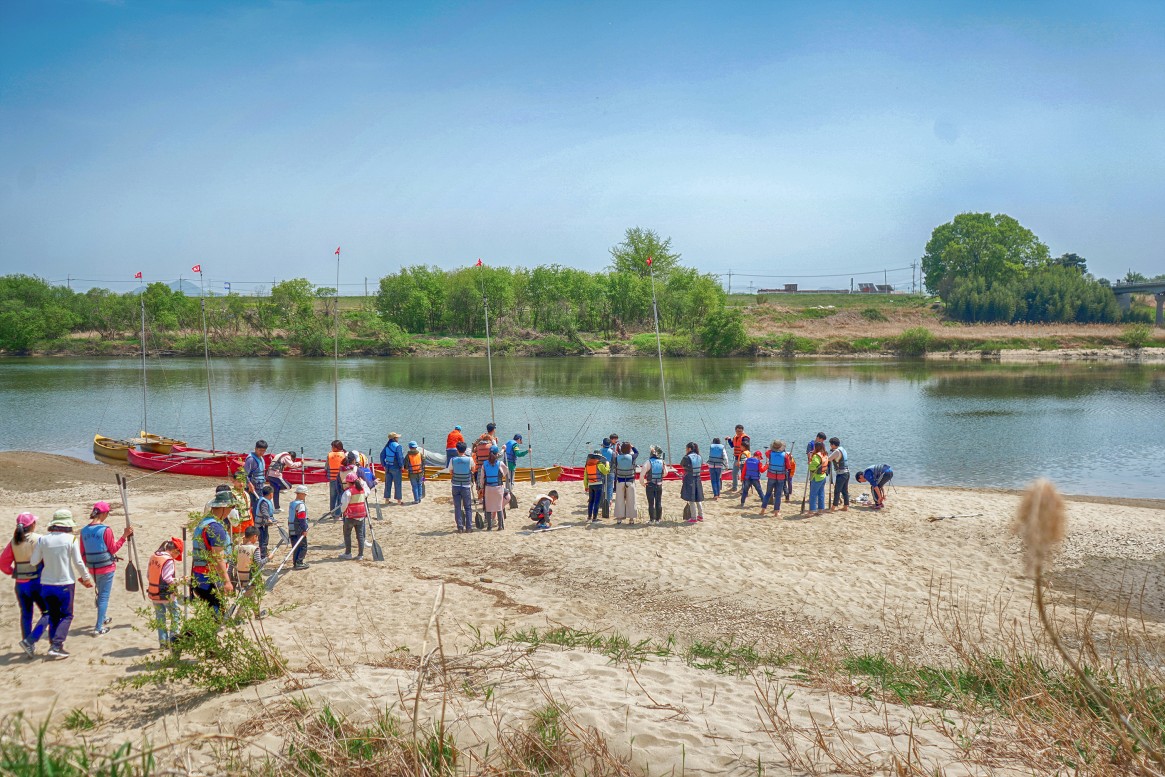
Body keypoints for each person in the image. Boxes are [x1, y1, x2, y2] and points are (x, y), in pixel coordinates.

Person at [29, 510, 94, 660]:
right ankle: (57, 645)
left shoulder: (43, 540)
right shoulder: (70, 539)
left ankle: (54, 645)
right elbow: (78, 562)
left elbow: (33, 561)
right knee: (67, 615)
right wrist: (86, 578)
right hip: (65, 582)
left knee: (53, 615)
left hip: (46, 583)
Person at [79, 500, 133, 636]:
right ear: (103, 513)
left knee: (100, 592)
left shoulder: (84, 530)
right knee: (103, 596)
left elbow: (82, 552)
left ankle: (103, 617)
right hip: (106, 567)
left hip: (92, 567)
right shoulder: (105, 530)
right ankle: (98, 627)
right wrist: (124, 536)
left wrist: (88, 567)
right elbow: (113, 548)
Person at [1, 513, 50, 658]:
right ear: (33, 525)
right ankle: (30, 640)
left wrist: (14, 572)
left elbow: (3, 563)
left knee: (26, 614)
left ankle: (29, 646)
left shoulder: (13, 542)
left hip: (21, 585)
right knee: (48, 612)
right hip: (37, 582)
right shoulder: (39, 539)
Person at [191, 492, 235, 615]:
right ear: (224, 507)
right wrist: (226, 581)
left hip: (199, 575)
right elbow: (217, 557)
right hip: (210, 576)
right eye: (231, 507)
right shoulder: (216, 528)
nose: (231, 511)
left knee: (210, 612)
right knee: (216, 615)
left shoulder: (203, 522)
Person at [146, 537, 183, 649]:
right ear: (175, 551)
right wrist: (180, 581)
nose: (176, 557)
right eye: (178, 554)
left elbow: (148, 575)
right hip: (166, 594)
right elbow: (168, 578)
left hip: (154, 593)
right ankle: (173, 639)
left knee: (160, 618)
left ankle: (162, 642)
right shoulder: (168, 560)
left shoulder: (154, 556)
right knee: (175, 615)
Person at [440, 441, 477, 533]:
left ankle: (460, 527)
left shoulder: (453, 460)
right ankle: (468, 527)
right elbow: (473, 469)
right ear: (465, 450)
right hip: (466, 485)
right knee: (468, 507)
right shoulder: (470, 459)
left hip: (456, 485)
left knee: (457, 507)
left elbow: (451, 471)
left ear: (457, 450)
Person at [476, 445, 509, 531]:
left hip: (488, 488)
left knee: (489, 507)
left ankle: (489, 526)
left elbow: (481, 478)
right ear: (497, 453)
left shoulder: (485, 464)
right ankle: (500, 526)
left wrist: (482, 487)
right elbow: (506, 472)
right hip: (498, 487)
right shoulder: (500, 463)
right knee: (499, 507)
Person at [339, 472, 370, 560]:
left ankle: (348, 553)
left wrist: (342, 511)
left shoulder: (348, 492)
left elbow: (344, 504)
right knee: (360, 535)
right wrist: (363, 482)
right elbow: (368, 491)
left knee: (347, 534)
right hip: (361, 516)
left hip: (350, 516)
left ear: (348, 482)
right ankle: (360, 555)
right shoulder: (363, 490)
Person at [760, 440, 792, 516]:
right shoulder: (785, 455)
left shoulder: (770, 453)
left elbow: (766, 453)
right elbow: (788, 466)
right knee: (778, 495)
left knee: (768, 493)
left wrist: (773, 449)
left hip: (771, 475)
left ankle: (763, 510)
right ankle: (776, 512)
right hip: (780, 477)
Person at [612, 441, 638, 524]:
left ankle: (619, 518)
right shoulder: (632, 457)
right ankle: (631, 519)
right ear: (629, 449)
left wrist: (619, 450)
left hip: (620, 480)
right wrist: (632, 446)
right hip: (630, 480)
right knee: (631, 500)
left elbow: (619, 457)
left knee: (619, 500)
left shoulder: (617, 458)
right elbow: (637, 452)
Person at [639, 446, 667, 523]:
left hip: (650, 485)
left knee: (651, 503)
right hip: (659, 485)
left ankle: (652, 519)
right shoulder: (662, 462)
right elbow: (665, 473)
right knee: (658, 502)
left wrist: (643, 483)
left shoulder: (648, 462)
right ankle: (658, 519)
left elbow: (642, 475)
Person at [680, 442, 705, 523]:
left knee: (691, 499)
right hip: (698, 478)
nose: (686, 450)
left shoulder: (687, 457)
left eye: (686, 449)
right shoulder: (699, 456)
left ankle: (693, 517)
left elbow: (682, 464)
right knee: (698, 498)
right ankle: (701, 516)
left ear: (689, 449)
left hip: (690, 479)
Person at [243, 440, 269, 518]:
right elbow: (244, 474)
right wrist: (250, 485)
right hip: (253, 487)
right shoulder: (251, 460)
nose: (262, 452)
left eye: (264, 451)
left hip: (260, 485)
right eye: (260, 450)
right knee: (253, 505)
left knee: (259, 503)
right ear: (255, 449)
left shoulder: (261, 458)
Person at [287, 484, 310, 569]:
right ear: (300, 494)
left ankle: (295, 562)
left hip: (291, 528)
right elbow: (302, 518)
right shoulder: (300, 505)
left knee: (295, 546)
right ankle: (299, 562)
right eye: (304, 494)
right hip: (299, 529)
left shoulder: (292, 504)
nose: (305, 496)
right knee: (303, 546)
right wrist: (305, 529)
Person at [380, 432, 405, 506]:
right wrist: (402, 466)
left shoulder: (387, 446)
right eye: (397, 437)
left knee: (388, 483)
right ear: (395, 438)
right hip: (396, 467)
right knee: (397, 483)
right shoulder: (398, 446)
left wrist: (384, 465)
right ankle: (399, 500)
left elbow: (382, 455)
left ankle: (387, 500)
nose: (398, 438)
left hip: (388, 466)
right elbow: (400, 457)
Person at [253, 484, 275, 561]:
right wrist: (268, 518)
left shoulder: (265, 500)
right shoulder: (264, 502)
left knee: (265, 538)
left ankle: (264, 553)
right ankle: (262, 555)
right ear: (271, 494)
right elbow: (264, 511)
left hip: (264, 524)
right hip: (260, 525)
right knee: (263, 540)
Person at [828, 437, 850, 512]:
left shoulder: (836, 451)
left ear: (833, 444)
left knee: (837, 490)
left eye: (831, 444)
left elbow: (829, 459)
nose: (830, 446)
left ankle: (833, 507)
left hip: (841, 473)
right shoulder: (842, 449)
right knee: (844, 490)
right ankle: (846, 506)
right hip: (847, 472)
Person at [808, 441, 829, 515]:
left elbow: (813, 466)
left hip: (817, 477)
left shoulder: (816, 456)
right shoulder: (825, 454)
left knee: (813, 494)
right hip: (823, 476)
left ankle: (812, 510)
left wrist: (810, 462)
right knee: (821, 493)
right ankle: (821, 509)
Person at [326, 440, 346, 512]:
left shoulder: (329, 455)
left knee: (333, 496)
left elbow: (326, 467)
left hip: (332, 478)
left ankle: (332, 512)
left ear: (336, 448)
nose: (331, 448)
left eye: (332, 446)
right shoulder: (345, 454)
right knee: (340, 495)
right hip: (342, 478)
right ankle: (338, 512)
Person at [731, 425, 750, 492]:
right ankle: (734, 487)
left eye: (740, 431)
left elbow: (747, 447)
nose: (738, 432)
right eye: (737, 431)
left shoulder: (745, 438)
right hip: (737, 457)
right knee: (734, 473)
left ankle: (744, 488)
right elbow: (732, 445)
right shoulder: (735, 437)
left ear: (742, 431)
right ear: (735, 430)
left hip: (743, 458)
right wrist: (729, 440)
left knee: (743, 473)